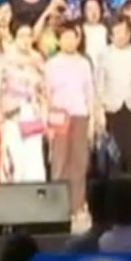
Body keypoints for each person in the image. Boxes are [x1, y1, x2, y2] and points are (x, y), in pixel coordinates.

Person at [44, 22, 96, 219]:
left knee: (79, 163)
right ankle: (58, 207)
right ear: (58, 40)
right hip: (59, 117)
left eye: (73, 37)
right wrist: (48, 122)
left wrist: (92, 119)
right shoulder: (51, 64)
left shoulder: (84, 63)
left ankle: (77, 205)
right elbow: (47, 94)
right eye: (65, 37)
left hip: (80, 114)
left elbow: (90, 92)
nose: (69, 41)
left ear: (78, 39)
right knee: (59, 162)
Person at [0, 20, 48, 182]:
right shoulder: (4, 59)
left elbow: (44, 90)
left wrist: (45, 116)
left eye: (29, 35)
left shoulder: (38, 60)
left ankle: (34, 192)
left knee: (33, 158)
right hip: (12, 115)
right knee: (13, 157)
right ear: (14, 37)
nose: (26, 39)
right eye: (22, 35)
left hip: (32, 114)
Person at [96, 16, 131, 174]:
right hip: (111, 109)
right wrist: (99, 112)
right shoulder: (104, 54)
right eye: (117, 32)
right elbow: (99, 85)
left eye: (125, 31)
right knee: (114, 155)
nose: (122, 35)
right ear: (111, 35)